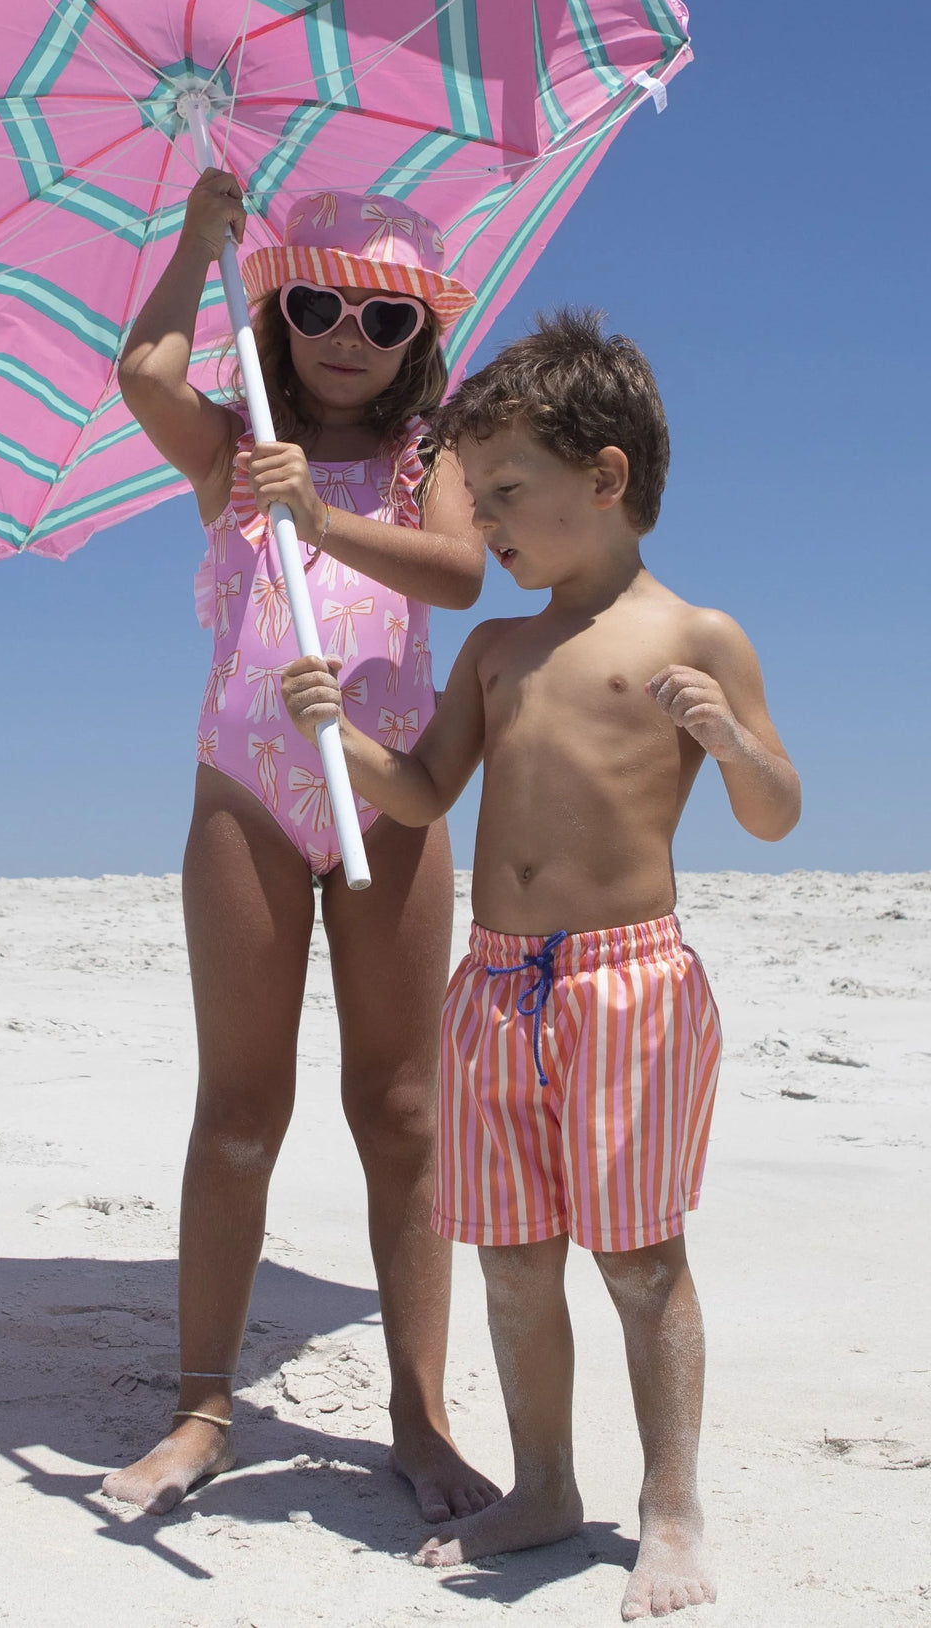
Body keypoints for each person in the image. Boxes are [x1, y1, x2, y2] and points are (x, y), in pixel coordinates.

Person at [281, 309, 801, 1618]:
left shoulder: (698, 636)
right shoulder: (494, 652)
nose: (485, 522)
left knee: (639, 1258)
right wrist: (339, 738)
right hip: (492, 987)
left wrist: (731, 743)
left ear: (607, 476)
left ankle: (670, 1510)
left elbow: (777, 809)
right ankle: (547, 1482)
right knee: (513, 1254)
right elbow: (421, 793)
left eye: (505, 493)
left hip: (629, 984)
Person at [101, 172, 500, 1523]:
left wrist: (322, 520)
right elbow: (141, 370)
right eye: (319, 302)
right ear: (277, 311)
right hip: (247, 791)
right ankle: (203, 1403)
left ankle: (421, 1411)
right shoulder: (229, 445)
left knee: (400, 1110)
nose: (349, 334)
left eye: (385, 317)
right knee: (238, 1109)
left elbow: (460, 576)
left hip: (393, 789)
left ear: (420, 336)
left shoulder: (426, 456)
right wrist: (194, 245)